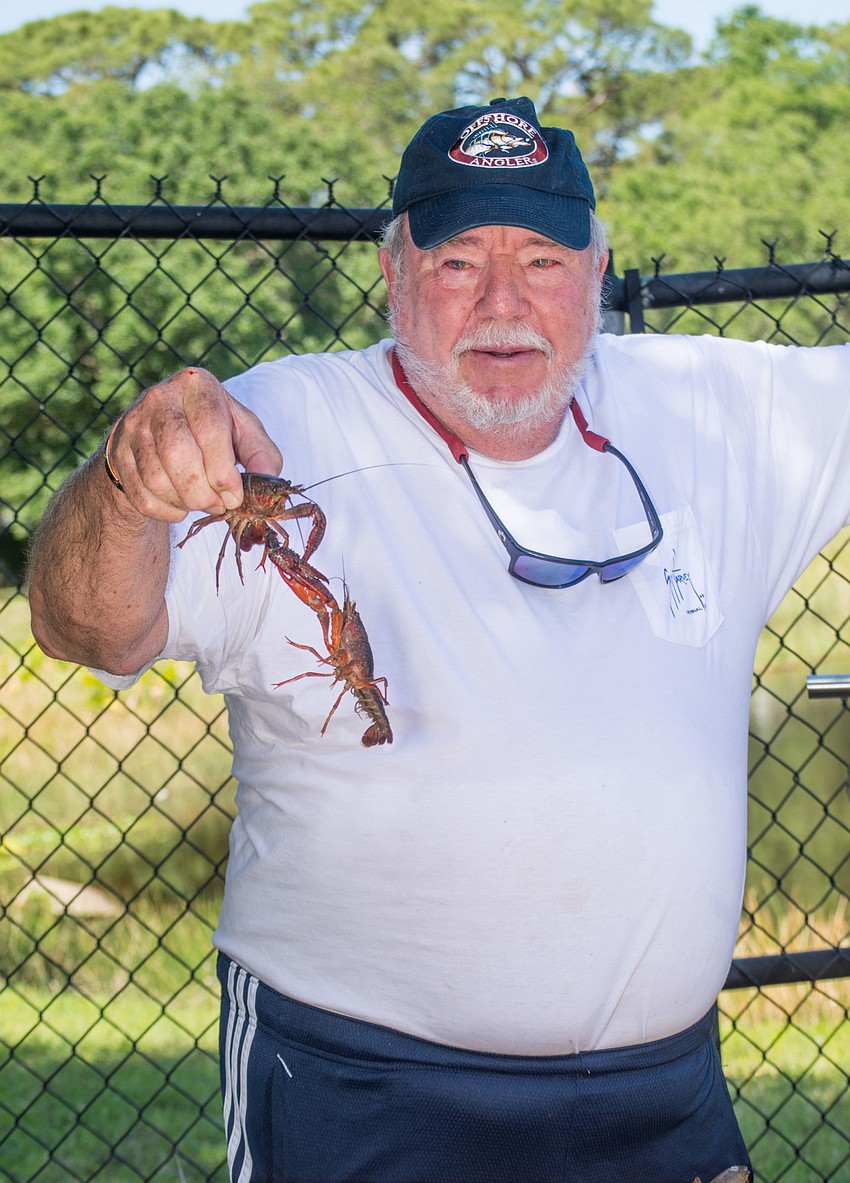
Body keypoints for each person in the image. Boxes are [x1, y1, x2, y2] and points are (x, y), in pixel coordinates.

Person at [25, 96, 850, 1183]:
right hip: (361, 1088)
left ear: (598, 268)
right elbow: (85, 628)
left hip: (664, 1101)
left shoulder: (712, 406)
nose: (503, 301)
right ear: (392, 274)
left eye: (544, 260)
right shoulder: (283, 425)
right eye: (457, 260)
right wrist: (129, 485)